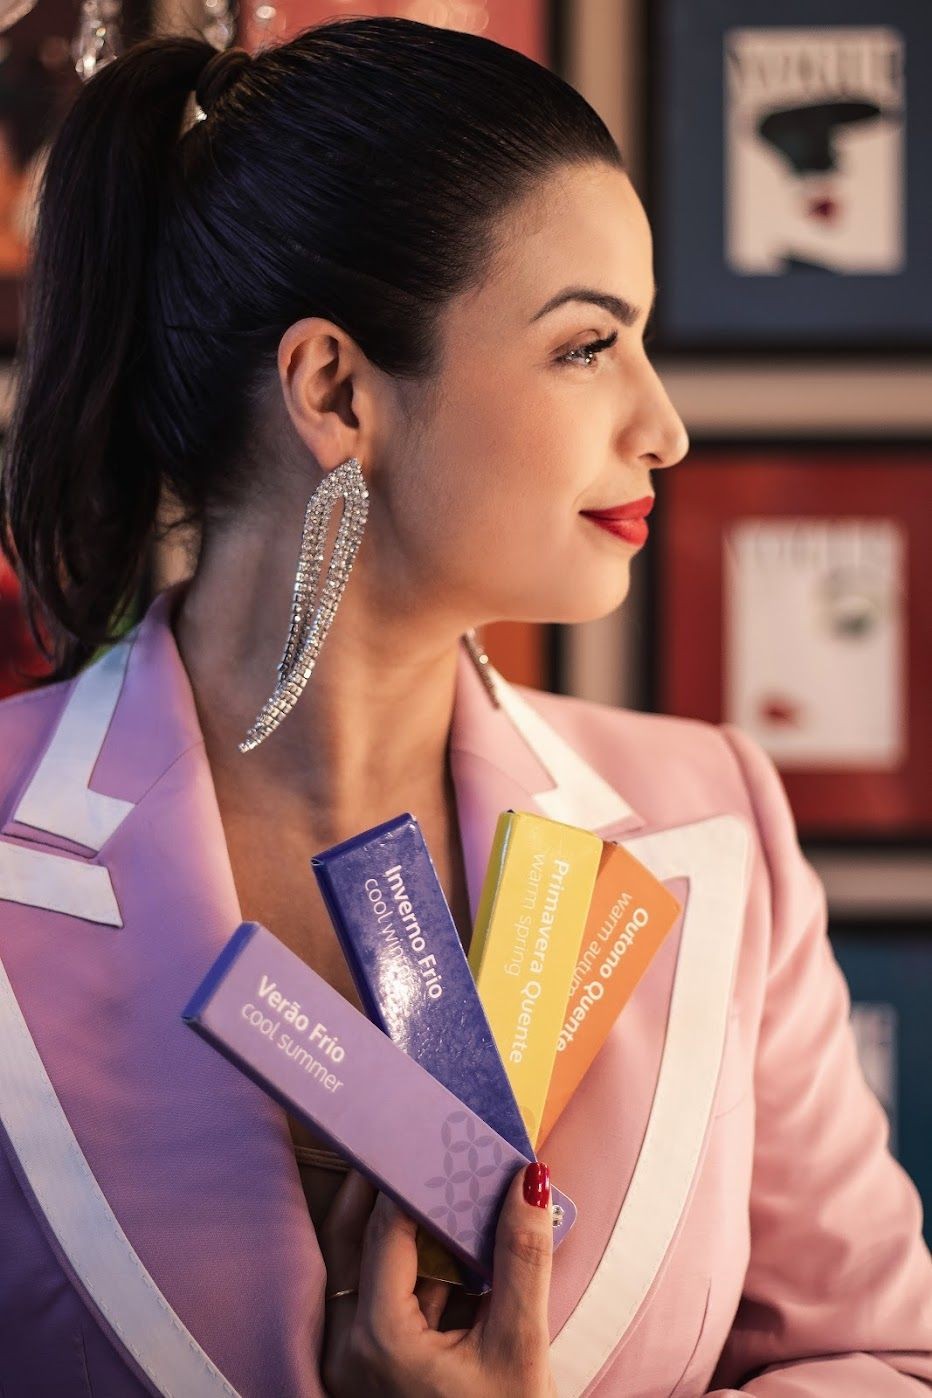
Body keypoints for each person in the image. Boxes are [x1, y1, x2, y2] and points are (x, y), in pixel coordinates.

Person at [0, 17, 929, 1397]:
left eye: (644, 341)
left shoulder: (712, 820)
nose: (663, 424)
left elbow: (888, 1357)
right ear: (334, 387)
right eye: (584, 347)